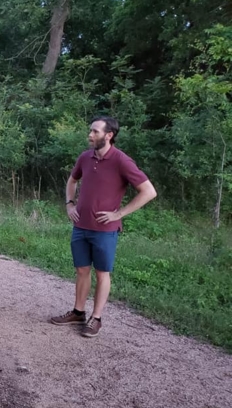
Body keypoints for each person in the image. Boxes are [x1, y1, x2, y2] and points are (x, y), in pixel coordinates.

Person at [51, 116, 157, 338]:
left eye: (95, 132)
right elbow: (72, 180)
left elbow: (149, 192)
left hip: (105, 231)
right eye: (90, 131)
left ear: (109, 135)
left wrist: (119, 214)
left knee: (102, 273)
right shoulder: (85, 157)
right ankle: (78, 312)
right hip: (80, 226)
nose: (90, 135)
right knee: (81, 270)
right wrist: (70, 204)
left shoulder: (122, 161)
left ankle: (95, 318)